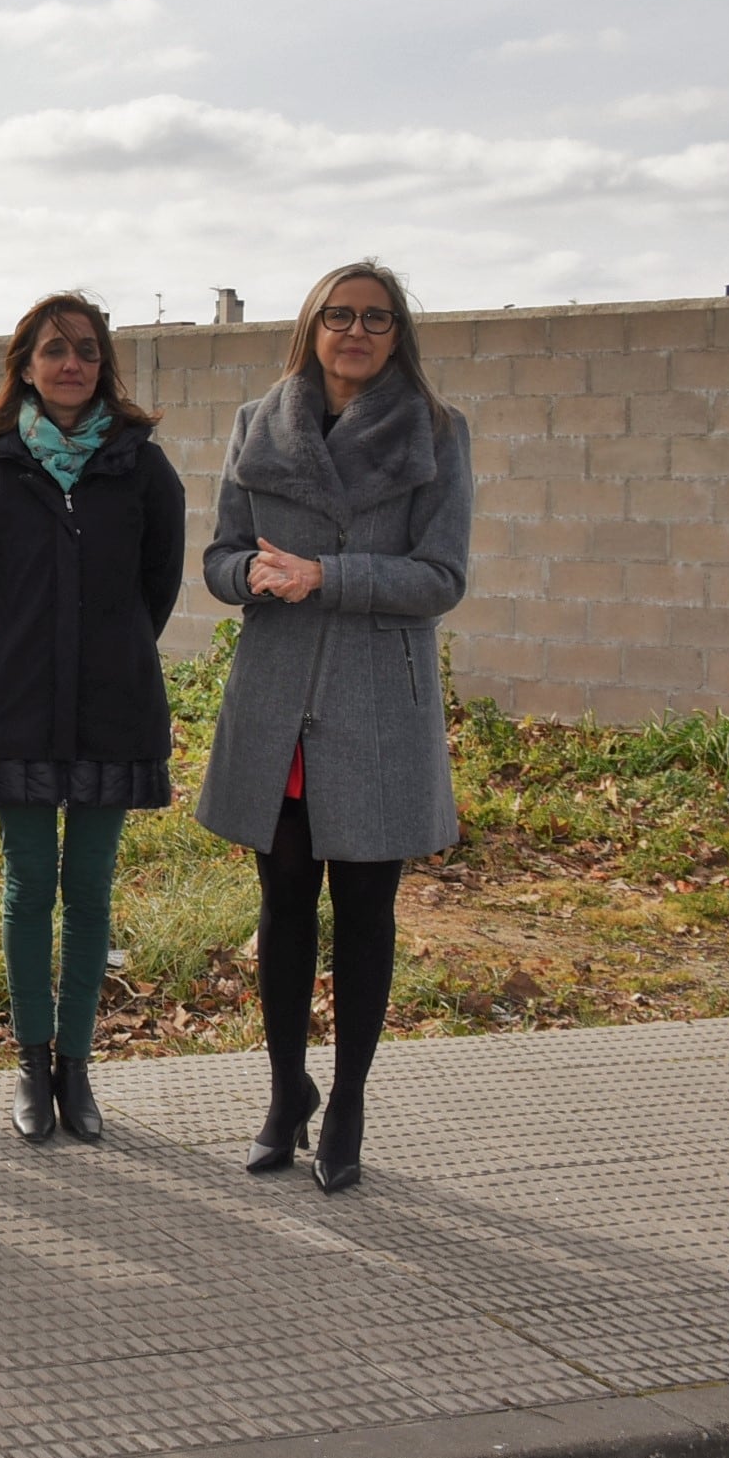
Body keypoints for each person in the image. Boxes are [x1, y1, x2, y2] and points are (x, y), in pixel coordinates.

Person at [196, 261, 471, 1195]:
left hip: (375, 711)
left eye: (376, 318)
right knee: (281, 911)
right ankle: (285, 1093)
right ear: (312, 325)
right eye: (338, 315)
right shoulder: (256, 425)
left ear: (399, 335)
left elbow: (441, 578)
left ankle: (348, 1099)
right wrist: (251, 579)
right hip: (279, 708)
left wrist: (327, 576)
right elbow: (221, 557)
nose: (355, 331)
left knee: (364, 915)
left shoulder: (437, 435)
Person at [0, 293, 184, 1146]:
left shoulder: (144, 469)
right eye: (53, 350)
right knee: (26, 890)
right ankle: (30, 1064)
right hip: (14, 709)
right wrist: (31, 653)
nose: (71, 363)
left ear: (104, 364)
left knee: (88, 893)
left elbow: (156, 589)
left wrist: (103, 652)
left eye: (85, 349)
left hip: (114, 709)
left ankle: (77, 1070)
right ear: (25, 366)